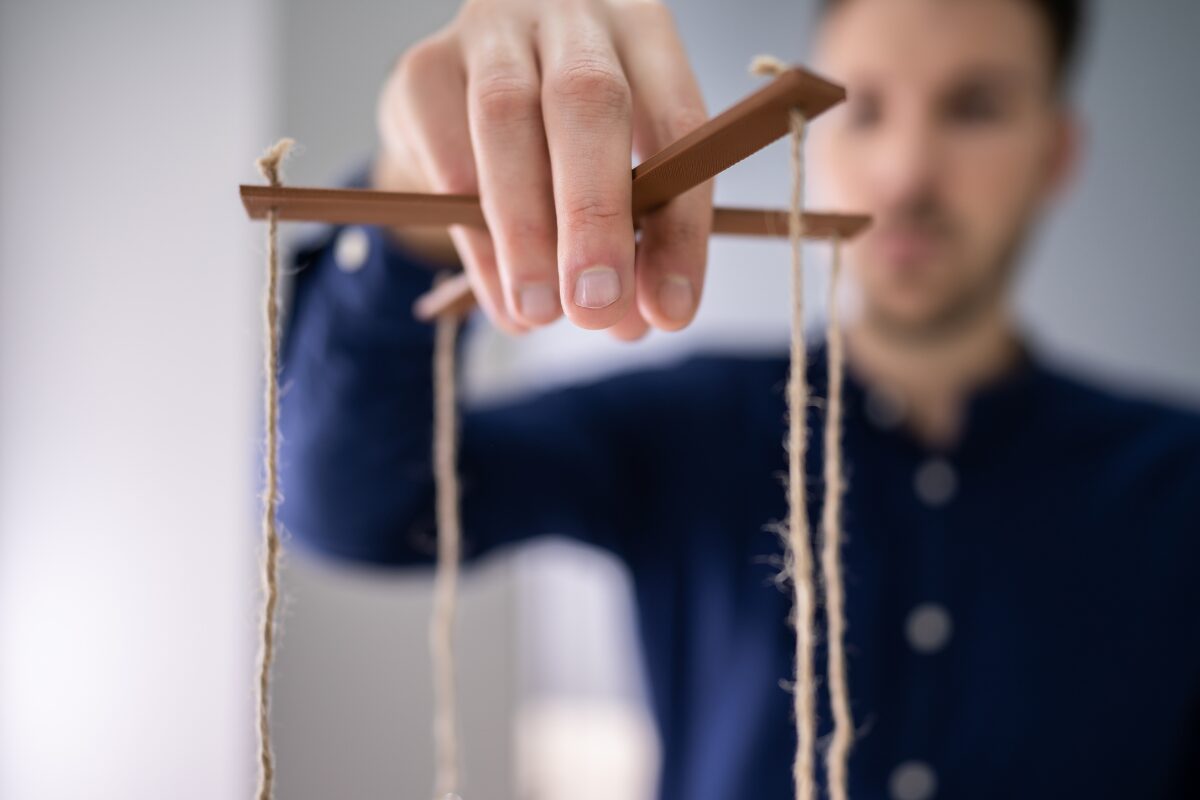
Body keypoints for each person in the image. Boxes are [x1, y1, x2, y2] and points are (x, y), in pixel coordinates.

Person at [276, 0, 1200, 797]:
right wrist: (417, 192)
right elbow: (352, 504)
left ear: (1054, 153)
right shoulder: (688, 424)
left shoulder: (1177, 480)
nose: (910, 173)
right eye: (865, 109)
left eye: (975, 108)